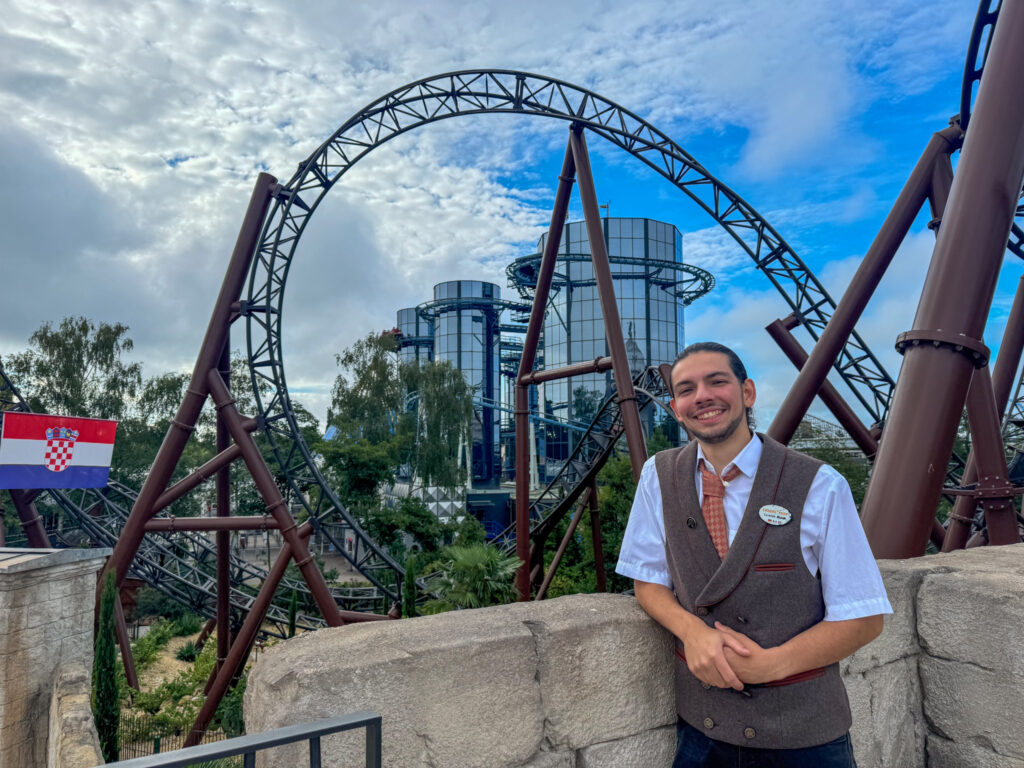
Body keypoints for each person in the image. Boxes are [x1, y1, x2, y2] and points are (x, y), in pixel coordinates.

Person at [616, 342, 891, 768]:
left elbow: (863, 618)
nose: (702, 396)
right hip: (702, 732)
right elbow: (648, 581)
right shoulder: (658, 477)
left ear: (747, 393)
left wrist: (770, 666)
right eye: (687, 389)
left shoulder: (819, 485)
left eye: (717, 381)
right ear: (675, 408)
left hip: (805, 739)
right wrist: (694, 632)